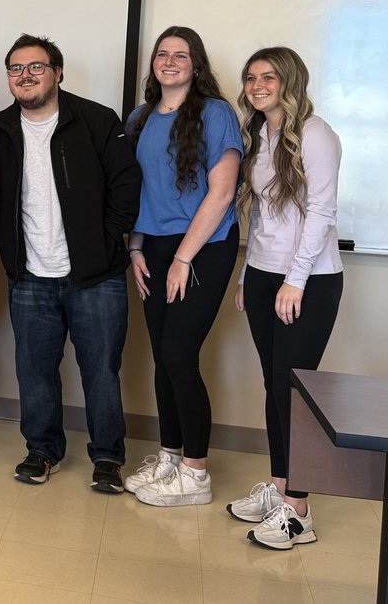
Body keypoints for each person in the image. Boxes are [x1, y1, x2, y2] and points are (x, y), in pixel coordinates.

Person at [0, 34, 141, 490]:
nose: (25, 75)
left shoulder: (95, 119)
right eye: (16, 68)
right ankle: (42, 451)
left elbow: (126, 187)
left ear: (58, 72)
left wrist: (106, 241)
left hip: (95, 275)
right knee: (34, 372)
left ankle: (108, 458)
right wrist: (8, 251)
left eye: (36, 66)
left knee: (101, 373)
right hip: (29, 275)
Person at [229, 47, 343, 549]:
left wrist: (294, 280)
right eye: (251, 78)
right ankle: (279, 489)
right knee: (274, 387)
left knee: (294, 393)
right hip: (262, 274)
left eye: (268, 77)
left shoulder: (316, 134)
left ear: (289, 81)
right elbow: (261, 214)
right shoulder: (259, 133)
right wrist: (245, 276)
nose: (257, 85)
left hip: (308, 281)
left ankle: (299, 511)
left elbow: (320, 212)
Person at [125, 25, 242, 506]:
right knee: (162, 356)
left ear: (197, 64)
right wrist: (135, 249)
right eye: (162, 53)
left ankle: (195, 474)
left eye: (181, 54)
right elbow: (136, 192)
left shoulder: (215, 113)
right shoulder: (140, 117)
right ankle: (170, 457)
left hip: (204, 247)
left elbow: (222, 193)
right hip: (152, 248)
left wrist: (182, 258)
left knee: (178, 354)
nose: (169, 61)